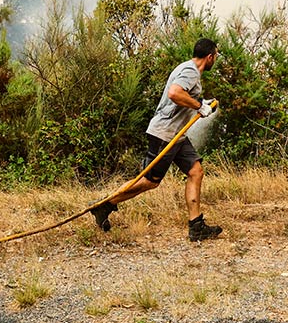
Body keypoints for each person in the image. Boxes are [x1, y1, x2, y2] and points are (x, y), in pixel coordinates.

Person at [90, 37, 223, 242]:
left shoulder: (187, 69)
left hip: (178, 136)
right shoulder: (190, 72)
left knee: (196, 171)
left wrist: (201, 102)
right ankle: (105, 205)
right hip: (165, 135)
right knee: (149, 182)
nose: (216, 59)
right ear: (210, 56)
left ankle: (196, 227)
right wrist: (199, 107)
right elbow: (174, 93)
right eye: (216, 55)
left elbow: (184, 98)